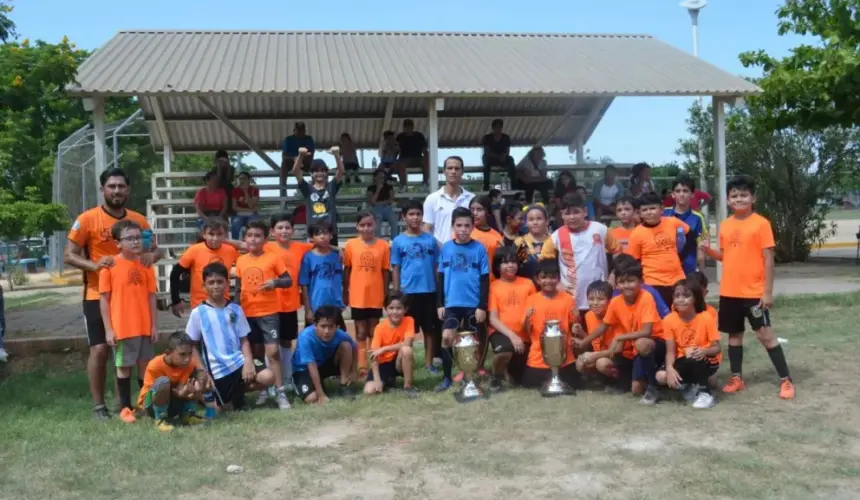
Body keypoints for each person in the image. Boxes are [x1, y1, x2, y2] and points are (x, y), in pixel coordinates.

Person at [65, 168, 161, 421]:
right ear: (103, 189)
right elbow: (69, 255)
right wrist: (95, 266)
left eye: (121, 186)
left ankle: (134, 404)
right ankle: (99, 406)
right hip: (99, 294)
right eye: (112, 186)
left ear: (128, 190)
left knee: (138, 353)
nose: (117, 191)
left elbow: (154, 250)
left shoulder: (139, 220)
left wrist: (153, 255)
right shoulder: (87, 219)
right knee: (99, 349)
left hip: (132, 298)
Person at [699, 175, 794, 399]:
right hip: (730, 292)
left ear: (753, 197)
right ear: (727, 199)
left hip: (753, 293)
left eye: (744, 195)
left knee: (765, 336)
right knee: (734, 336)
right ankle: (737, 378)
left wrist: (767, 291)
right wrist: (710, 251)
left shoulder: (761, 224)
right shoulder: (725, 225)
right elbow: (727, 256)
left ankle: (786, 380)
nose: (739, 199)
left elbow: (768, 259)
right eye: (734, 195)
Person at [186, 262, 275, 414]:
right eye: (211, 283)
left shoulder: (235, 309)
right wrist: (202, 370)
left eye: (220, 282)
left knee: (268, 377)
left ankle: (237, 393)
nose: (216, 286)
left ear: (227, 284)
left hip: (238, 361)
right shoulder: (198, 313)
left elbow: (244, 339)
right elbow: (191, 345)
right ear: (204, 286)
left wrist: (248, 361)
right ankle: (221, 397)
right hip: (217, 368)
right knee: (221, 410)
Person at [575, 258, 661, 404]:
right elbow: (603, 326)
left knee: (641, 343)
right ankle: (632, 381)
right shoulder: (616, 302)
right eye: (621, 282)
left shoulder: (646, 297)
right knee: (635, 390)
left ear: (641, 281)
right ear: (616, 284)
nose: (625, 286)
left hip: (655, 342)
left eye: (630, 281)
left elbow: (647, 332)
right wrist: (585, 341)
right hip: (634, 348)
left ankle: (654, 386)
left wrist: (620, 338)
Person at [98, 219, 158, 424]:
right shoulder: (109, 266)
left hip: (144, 327)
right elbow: (104, 300)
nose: (135, 242)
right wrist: (108, 329)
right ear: (118, 243)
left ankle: (143, 405)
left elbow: (151, 297)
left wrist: (154, 325)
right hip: (123, 328)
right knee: (124, 367)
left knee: (145, 367)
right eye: (130, 238)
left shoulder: (147, 265)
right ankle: (125, 408)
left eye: (138, 238)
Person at [234, 220, 293, 410]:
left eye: (257, 235)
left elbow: (288, 280)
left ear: (265, 239)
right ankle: (264, 389)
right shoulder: (241, 260)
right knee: (257, 353)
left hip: (269, 313)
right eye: (250, 235)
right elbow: (237, 288)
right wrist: (235, 308)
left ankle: (280, 392)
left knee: (273, 353)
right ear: (245, 238)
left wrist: (274, 283)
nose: (253, 239)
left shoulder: (273, 257)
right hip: (248, 314)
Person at [540, 192, 621, 323]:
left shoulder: (600, 229)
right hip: (570, 297)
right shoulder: (556, 236)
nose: (572, 217)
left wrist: (614, 274)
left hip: (599, 296)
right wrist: (557, 283)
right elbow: (545, 263)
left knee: (599, 336)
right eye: (567, 213)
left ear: (585, 211)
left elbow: (617, 251)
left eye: (576, 212)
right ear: (562, 214)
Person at [436, 207, 490, 392]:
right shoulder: (446, 248)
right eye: (459, 225)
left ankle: (472, 373)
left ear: (473, 226)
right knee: (446, 338)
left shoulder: (479, 249)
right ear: (453, 226)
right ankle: (447, 377)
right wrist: (440, 303)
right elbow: (440, 277)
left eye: (467, 225)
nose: (463, 229)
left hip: (473, 304)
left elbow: (484, 279)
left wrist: (482, 305)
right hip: (452, 303)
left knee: (473, 341)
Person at [391, 200, 441, 374]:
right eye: (411, 214)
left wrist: (439, 290)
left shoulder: (431, 240)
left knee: (430, 330)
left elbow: (436, 266)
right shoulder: (398, 241)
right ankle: (406, 362)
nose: (415, 217)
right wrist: (397, 292)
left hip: (428, 291)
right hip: (408, 293)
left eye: (418, 214)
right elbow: (396, 268)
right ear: (404, 217)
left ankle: (429, 364)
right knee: (408, 331)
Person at [656, 277, 721, 409]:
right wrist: (669, 368)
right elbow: (670, 351)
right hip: (683, 359)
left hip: (705, 359)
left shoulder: (706, 317)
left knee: (693, 352)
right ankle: (689, 387)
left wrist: (705, 351)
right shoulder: (669, 320)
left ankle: (705, 394)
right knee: (660, 376)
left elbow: (717, 348)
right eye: (677, 296)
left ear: (695, 298)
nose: (681, 299)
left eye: (686, 296)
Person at [265, 214, 314, 390]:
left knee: (286, 342)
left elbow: (320, 244)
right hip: (270, 304)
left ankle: (286, 378)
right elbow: (243, 244)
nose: (284, 231)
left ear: (293, 230)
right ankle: (270, 382)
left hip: (290, 304)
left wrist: (337, 249)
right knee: (271, 345)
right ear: (271, 231)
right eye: (279, 228)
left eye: (287, 228)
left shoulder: (300, 248)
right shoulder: (266, 247)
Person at [344, 211, 391, 376]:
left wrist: (386, 294)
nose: (366, 228)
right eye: (362, 225)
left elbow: (385, 271)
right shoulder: (351, 245)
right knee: (360, 332)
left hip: (376, 295)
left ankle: (374, 364)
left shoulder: (383, 245)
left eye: (369, 224)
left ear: (375, 225)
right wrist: (345, 291)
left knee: (374, 331)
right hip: (358, 296)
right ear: (357, 227)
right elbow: (347, 270)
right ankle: (362, 367)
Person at [521, 260, 578, 391]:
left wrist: (576, 323)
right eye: (544, 277)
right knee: (530, 383)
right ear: (537, 279)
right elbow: (525, 330)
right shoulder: (531, 299)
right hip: (538, 356)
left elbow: (574, 326)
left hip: (565, 356)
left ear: (558, 278)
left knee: (574, 383)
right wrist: (527, 319)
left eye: (552, 277)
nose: (548, 281)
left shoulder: (568, 299)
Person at [626, 192, 689, 308]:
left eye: (652, 208)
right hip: (652, 282)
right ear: (639, 213)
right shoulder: (636, 234)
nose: (649, 212)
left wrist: (682, 255)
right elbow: (633, 262)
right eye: (645, 210)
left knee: (679, 314)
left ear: (662, 208)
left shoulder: (673, 222)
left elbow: (690, 237)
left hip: (678, 279)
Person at [488, 246, 537, 390]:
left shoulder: (527, 283)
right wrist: (513, 335)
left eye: (514, 262)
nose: (511, 265)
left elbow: (534, 310)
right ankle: (496, 377)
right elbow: (493, 318)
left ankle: (508, 371)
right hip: (503, 333)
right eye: (505, 262)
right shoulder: (493, 286)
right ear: (497, 266)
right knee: (504, 351)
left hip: (526, 334)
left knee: (524, 381)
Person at [138, 332, 209, 431]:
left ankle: (188, 414)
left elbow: (181, 388)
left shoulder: (189, 364)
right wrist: (178, 392)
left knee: (199, 379)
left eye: (190, 354)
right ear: (168, 353)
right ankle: (160, 419)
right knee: (163, 382)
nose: (187, 359)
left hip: (172, 401)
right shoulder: (155, 365)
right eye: (182, 354)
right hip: (150, 402)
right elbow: (151, 392)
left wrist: (196, 387)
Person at [170, 218, 239, 317]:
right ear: (204, 235)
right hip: (200, 305)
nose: (215, 238)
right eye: (211, 234)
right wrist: (176, 300)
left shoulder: (231, 251)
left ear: (225, 236)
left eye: (219, 234)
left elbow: (247, 264)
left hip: (223, 304)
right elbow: (175, 273)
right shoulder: (194, 250)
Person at [292, 305, 357, 403]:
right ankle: (298, 383)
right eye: (323, 326)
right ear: (315, 325)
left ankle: (344, 386)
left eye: (331, 326)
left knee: (346, 346)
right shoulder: (305, 337)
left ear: (337, 327)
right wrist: (321, 395)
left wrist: (353, 370)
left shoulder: (340, 334)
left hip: (323, 364)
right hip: (304, 369)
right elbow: (311, 366)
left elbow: (354, 347)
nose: (327, 331)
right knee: (312, 398)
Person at [364, 293, 419, 398]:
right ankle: (387, 381)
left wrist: (384, 349)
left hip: (399, 361)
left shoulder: (409, 321)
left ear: (405, 310)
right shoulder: (379, 328)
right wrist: (377, 380)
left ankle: (408, 386)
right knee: (370, 391)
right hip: (382, 364)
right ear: (385, 309)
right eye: (391, 308)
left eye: (399, 308)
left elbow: (407, 344)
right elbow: (373, 355)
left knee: (406, 350)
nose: (395, 312)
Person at [573, 280, 625, 388]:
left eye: (600, 299)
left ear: (610, 301)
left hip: (618, 356)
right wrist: (581, 333)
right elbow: (594, 340)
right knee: (579, 360)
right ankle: (596, 380)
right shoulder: (588, 315)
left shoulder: (617, 316)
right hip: (600, 352)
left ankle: (620, 381)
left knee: (601, 363)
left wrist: (594, 355)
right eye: (591, 299)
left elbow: (618, 349)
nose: (595, 303)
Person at [293, 146, 345, 246]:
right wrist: (301, 156)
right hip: (314, 234)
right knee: (314, 260)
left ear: (326, 173)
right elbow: (296, 172)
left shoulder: (331, 187)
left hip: (330, 233)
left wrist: (336, 155)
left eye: (322, 170)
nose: (319, 173)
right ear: (311, 174)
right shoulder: (307, 189)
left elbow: (341, 171)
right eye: (316, 171)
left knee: (331, 260)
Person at [299, 220, 346, 328]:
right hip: (316, 305)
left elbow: (339, 281)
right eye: (318, 234)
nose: (322, 236)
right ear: (311, 238)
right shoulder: (308, 258)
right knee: (315, 337)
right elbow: (304, 285)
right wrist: (307, 309)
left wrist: (341, 301)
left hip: (334, 305)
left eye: (325, 233)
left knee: (339, 337)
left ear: (331, 235)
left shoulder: (337, 256)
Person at [422, 156, 475, 244]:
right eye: (450, 168)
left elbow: (475, 227)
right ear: (444, 171)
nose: (453, 172)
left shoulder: (471, 198)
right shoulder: (432, 199)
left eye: (457, 168)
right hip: (440, 253)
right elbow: (427, 229)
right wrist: (439, 248)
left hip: (466, 252)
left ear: (462, 172)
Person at [663, 175, 708, 275]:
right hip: (666, 270)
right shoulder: (663, 214)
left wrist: (701, 273)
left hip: (689, 270)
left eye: (685, 191)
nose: (681, 194)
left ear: (692, 194)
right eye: (678, 191)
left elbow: (702, 246)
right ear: (673, 194)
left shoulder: (698, 217)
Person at [514, 204, 551, 283]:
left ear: (547, 221)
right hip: (527, 288)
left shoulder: (553, 241)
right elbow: (519, 268)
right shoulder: (521, 243)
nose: (535, 222)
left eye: (539, 219)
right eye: (531, 219)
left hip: (550, 287)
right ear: (526, 223)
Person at [481, 119, 515, 191]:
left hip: (502, 158)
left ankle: (514, 185)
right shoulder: (487, 138)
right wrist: (498, 157)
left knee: (511, 160)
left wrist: (504, 156)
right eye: (496, 127)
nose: (498, 129)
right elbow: (487, 152)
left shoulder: (506, 137)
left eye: (500, 127)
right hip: (491, 158)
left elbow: (507, 151)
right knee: (486, 163)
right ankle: (486, 186)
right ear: (493, 128)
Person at [396, 119, 429, 191]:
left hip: (418, 158)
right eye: (406, 126)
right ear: (403, 127)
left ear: (413, 127)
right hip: (404, 159)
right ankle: (403, 185)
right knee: (400, 163)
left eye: (409, 126)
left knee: (427, 159)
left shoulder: (419, 136)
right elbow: (396, 150)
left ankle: (425, 183)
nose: (408, 128)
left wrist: (427, 157)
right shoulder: (400, 137)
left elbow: (424, 150)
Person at [366, 168, 398, 238]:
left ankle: (394, 241)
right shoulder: (370, 188)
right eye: (380, 177)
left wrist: (379, 203)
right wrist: (378, 189)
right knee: (377, 220)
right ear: (375, 178)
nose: (382, 179)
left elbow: (391, 200)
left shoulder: (389, 187)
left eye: (383, 177)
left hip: (387, 208)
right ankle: (378, 242)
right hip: (376, 209)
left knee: (394, 220)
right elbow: (371, 202)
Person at [230, 172, 260, 240]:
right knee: (235, 223)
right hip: (238, 215)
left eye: (244, 179)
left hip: (252, 215)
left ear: (249, 180)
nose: (242, 181)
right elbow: (234, 207)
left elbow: (251, 205)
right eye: (240, 179)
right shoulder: (235, 190)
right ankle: (236, 243)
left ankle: (252, 242)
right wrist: (250, 210)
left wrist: (245, 191)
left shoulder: (254, 190)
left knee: (254, 224)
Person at [214, 150, 235, 215]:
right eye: (220, 160)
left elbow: (228, 179)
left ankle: (229, 212)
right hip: (218, 189)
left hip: (228, 189)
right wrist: (219, 167)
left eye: (224, 159)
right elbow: (218, 180)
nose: (222, 162)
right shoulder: (214, 169)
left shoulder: (231, 168)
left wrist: (228, 166)